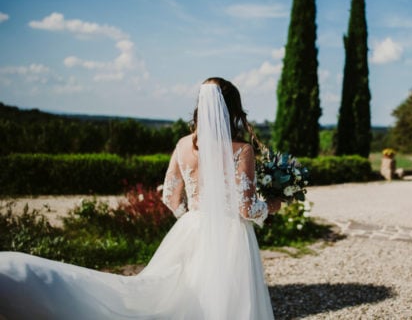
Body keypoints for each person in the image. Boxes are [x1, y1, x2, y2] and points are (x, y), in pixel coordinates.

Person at [0, 77, 281, 319]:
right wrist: (273, 204)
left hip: (191, 228)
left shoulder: (183, 144)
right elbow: (246, 208)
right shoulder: (242, 150)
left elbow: (170, 195)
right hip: (229, 233)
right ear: (231, 109)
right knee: (225, 297)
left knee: (186, 295)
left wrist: (190, 218)